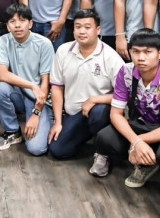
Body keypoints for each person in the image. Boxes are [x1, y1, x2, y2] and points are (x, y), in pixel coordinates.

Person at [93, 28, 160, 216]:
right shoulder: (126, 71)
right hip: (144, 124)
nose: (141, 58)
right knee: (105, 138)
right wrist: (136, 141)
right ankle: (147, 164)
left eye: (148, 52)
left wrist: (138, 142)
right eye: (135, 51)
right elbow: (116, 114)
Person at [48, 9, 124, 166]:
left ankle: (102, 153)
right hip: (74, 114)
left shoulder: (111, 57)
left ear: (98, 30)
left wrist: (95, 99)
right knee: (58, 150)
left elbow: (124, 95)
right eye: (78, 27)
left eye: (87, 27)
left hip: (100, 113)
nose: (82, 31)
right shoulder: (63, 51)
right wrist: (58, 122)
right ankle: (87, 136)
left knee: (99, 111)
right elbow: (57, 87)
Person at [0, 4, 55, 155]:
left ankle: (48, 117)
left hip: (40, 99)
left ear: (30, 24)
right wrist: (32, 85)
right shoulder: (3, 41)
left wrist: (36, 114)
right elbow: (2, 74)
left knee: (36, 149)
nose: (17, 25)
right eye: (12, 21)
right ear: (7, 26)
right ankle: (12, 131)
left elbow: (46, 83)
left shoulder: (44, 44)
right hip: (20, 94)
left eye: (22, 20)